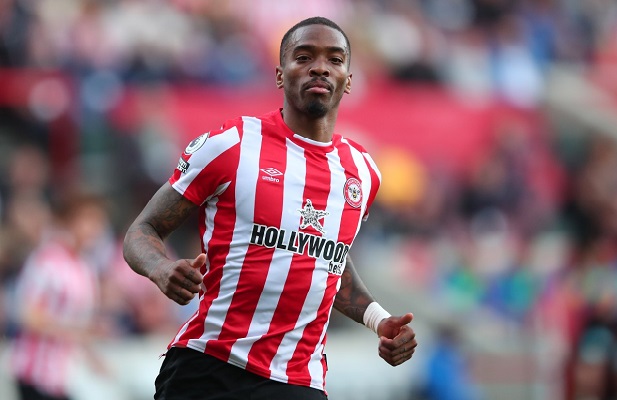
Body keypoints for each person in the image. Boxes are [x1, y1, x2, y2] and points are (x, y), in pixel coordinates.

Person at [123, 16, 417, 400]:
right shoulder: (232, 145)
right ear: (280, 75)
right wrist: (161, 269)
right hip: (209, 368)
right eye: (304, 57)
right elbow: (141, 230)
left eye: (334, 59)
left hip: (298, 381)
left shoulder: (363, 172)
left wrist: (379, 320)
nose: (320, 67)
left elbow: (327, 261)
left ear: (348, 79)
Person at [9, 194, 110, 400]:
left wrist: (93, 357)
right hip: (35, 374)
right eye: (87, 220)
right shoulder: (47, 259)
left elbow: (80, 324)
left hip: (64, 375)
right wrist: (73, 329)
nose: (93, 229)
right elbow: (29, 315)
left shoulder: (85, 267)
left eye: (97, 222)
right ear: (69, 221)